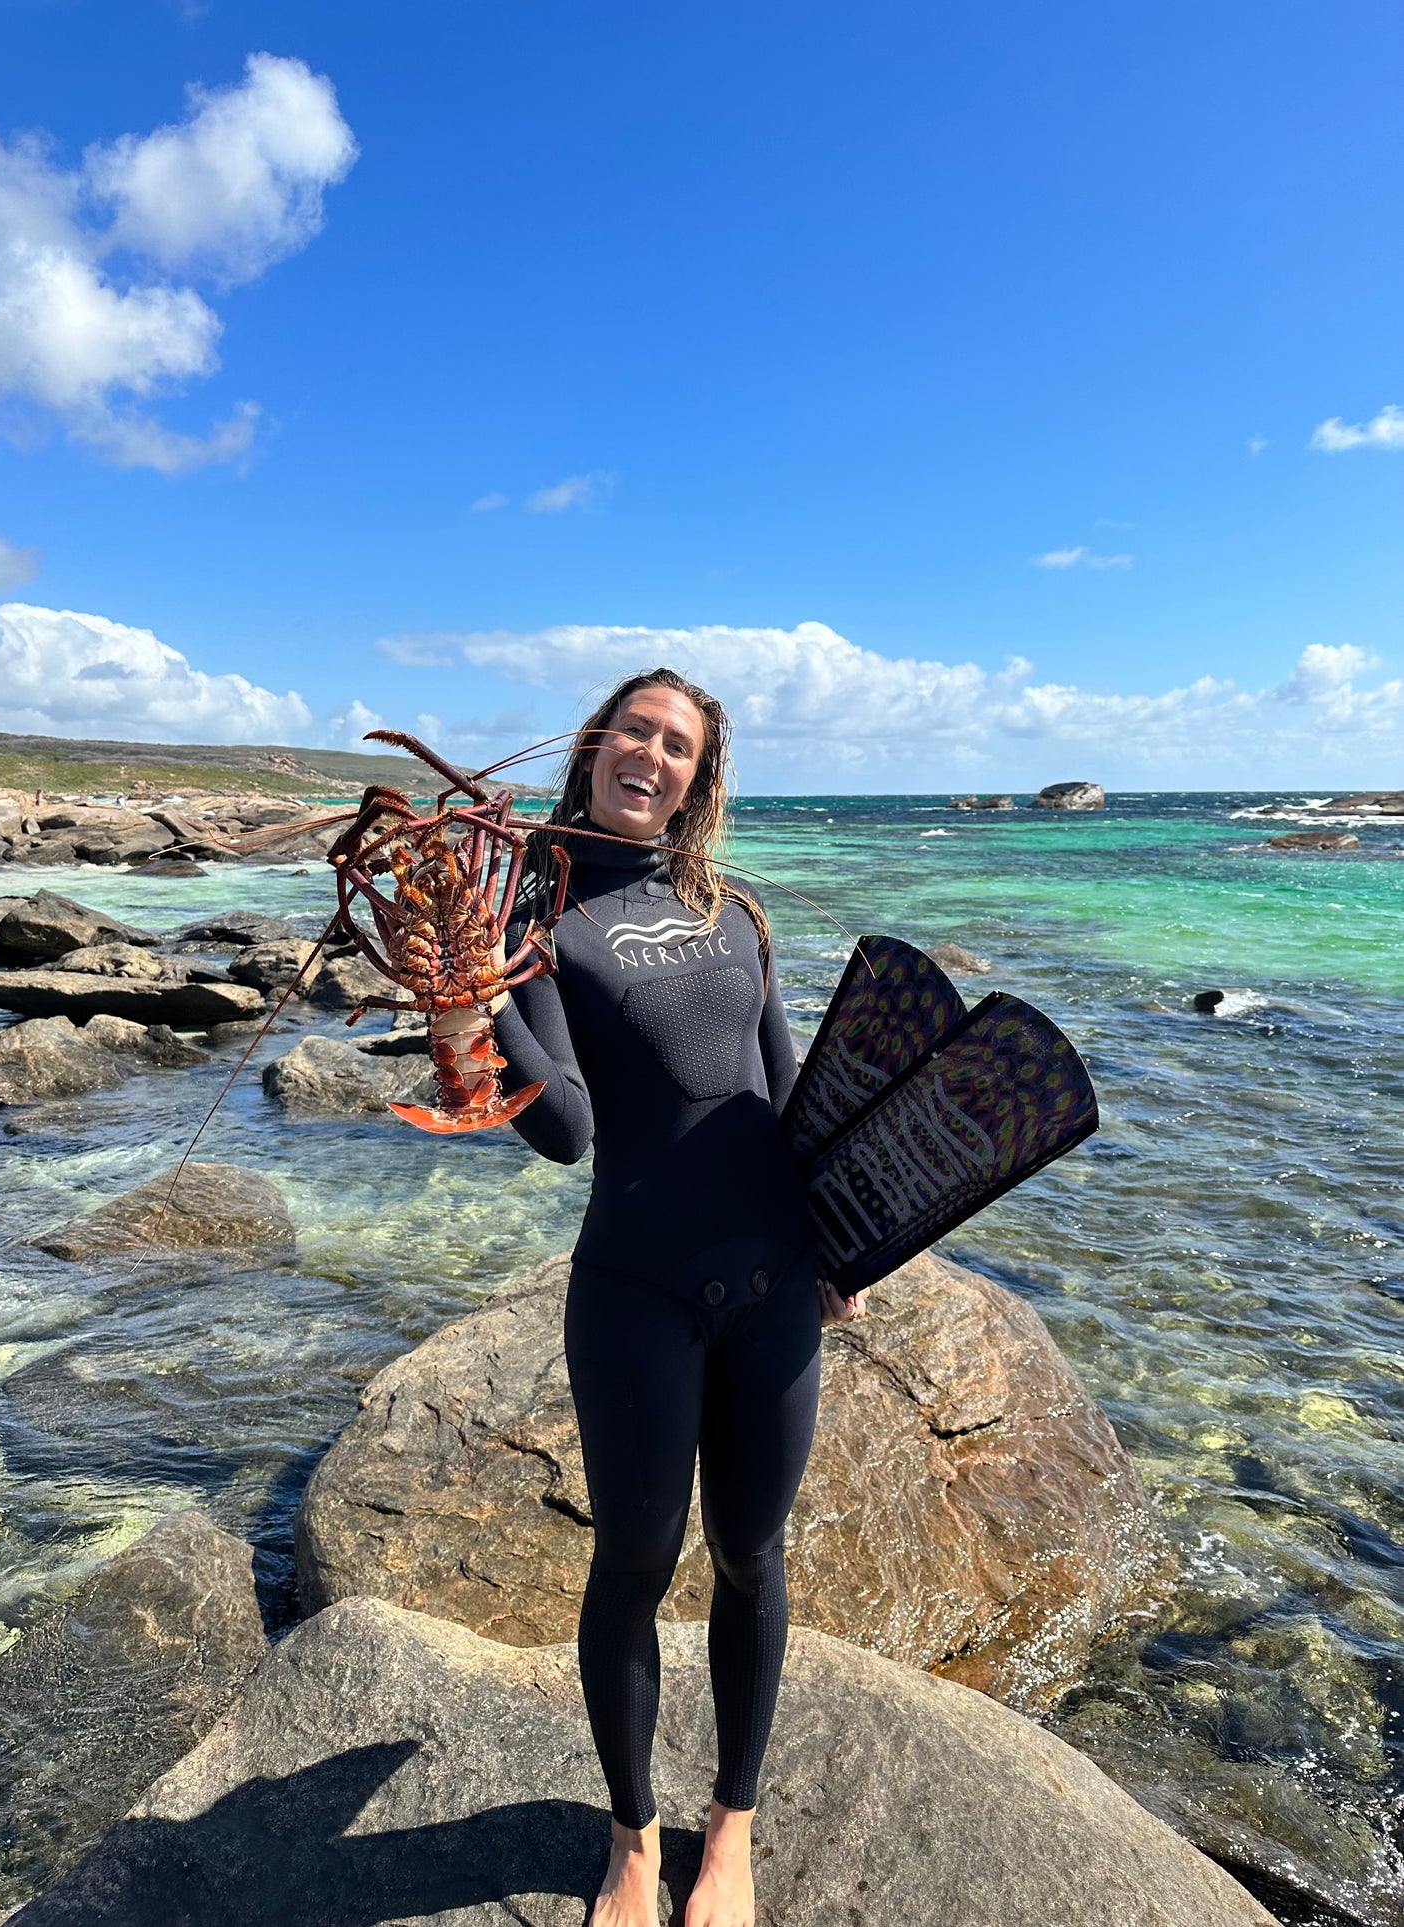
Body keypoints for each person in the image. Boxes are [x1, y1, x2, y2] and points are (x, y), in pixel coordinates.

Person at [483, 668, 868, 1927]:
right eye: (633, 732)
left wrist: (846, 1236)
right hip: (635, 1287)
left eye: (678, 745)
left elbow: (784, 1089)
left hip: (771, 1285)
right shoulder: (537, 911)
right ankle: (634, 1840)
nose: (650, 755)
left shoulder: (731, 908)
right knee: (635, 1560)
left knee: (751, 1557)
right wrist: (473, 1013)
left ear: (699, 778)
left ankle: (733, 1833)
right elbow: (567, 1131)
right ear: (594, 745)